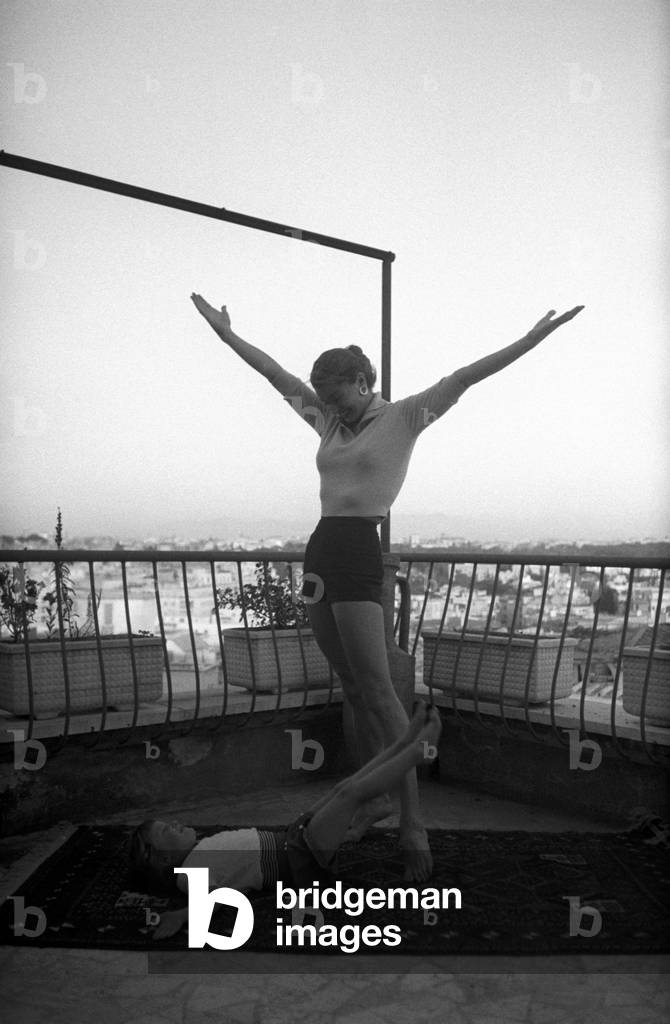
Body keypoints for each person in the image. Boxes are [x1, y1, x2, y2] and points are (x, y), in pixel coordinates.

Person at [190, 291, 584, 880]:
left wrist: (532, 339)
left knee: (379, 692)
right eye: (324, 398)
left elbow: (466, 376)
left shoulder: (405, 417)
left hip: (357, 553)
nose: (331, 407)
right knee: (351, 685)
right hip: (321, 550)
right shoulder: (326, 420)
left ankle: (412, 823)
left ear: (364, 379)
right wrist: (226, 334)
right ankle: (373, 797)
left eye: (339, 394)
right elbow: (274, 374)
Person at [129, 701, 442, 939]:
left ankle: (404, 743)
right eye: (166, 831)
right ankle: (418, 753)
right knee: (351, 796)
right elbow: (214, 900)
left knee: (343, 788)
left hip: (292, 837)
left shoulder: (201, 851)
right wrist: (181, 916)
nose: (175, 824)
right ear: (161, 858)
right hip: (298, 858)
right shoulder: (189, 874)